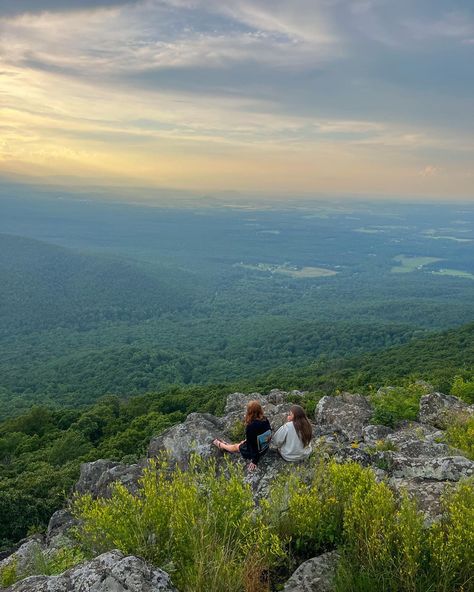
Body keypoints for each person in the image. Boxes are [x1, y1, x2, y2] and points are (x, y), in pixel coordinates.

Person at [212, 400, 271, 471]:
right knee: (243, 443)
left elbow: (253, 446)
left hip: (256, 452)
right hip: (265, 447)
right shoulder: (265, 419)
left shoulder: (251, 426)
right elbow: (266, 433)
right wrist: (247, 441)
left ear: (249, 412)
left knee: (236, 446)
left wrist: (254, 460)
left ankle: (221, 445)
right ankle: (227, 445)